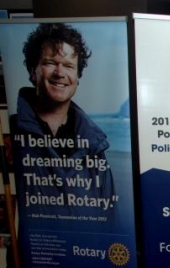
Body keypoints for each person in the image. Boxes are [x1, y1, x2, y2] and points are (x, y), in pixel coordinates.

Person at [9, 23, 116, 220]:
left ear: (77, 77)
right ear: (33, 71)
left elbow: (108, 216)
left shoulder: (94, 145)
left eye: (68, 66)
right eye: (50, 63)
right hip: (41, 247)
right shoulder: (12, 135)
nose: (60, 73)